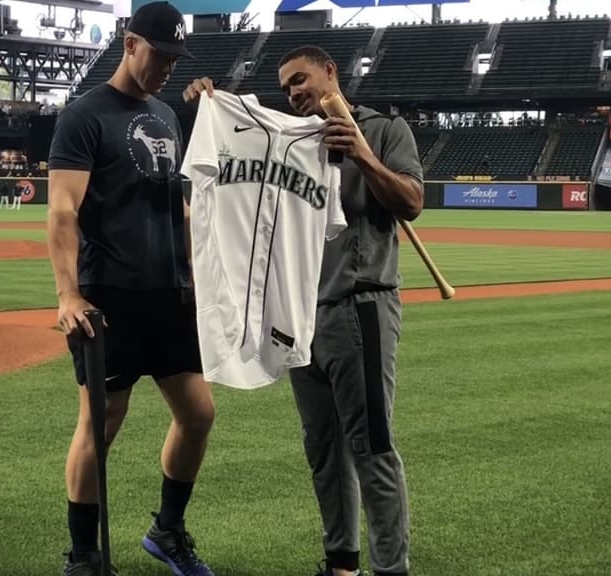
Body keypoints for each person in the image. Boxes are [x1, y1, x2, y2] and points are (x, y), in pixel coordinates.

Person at [183, 45, 424, 576]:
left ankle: (392, 569)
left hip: (360, 306)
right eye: (287, 86)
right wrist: (210, 102)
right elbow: (237, 148)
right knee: (323, 449)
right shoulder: (287, 139)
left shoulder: (385, 130)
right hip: (299, 314)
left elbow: (410, 202)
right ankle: (342, 563)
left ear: (330, 72)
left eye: (301, 79)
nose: (293, 92)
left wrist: (361, 153)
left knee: (370, 446)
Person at [46, 3, 215, 576]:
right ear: (129, 43)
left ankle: (167, 530)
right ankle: (84, 556)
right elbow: (63, 212)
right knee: (101, 422)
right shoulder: (84, 115)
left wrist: (198, 274)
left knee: (198, 414)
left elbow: (181, 207)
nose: (167, 66)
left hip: (169, 294)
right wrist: (68, 295)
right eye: (160, 54)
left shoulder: (166, 115)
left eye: (175, 58)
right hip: (109, 296)